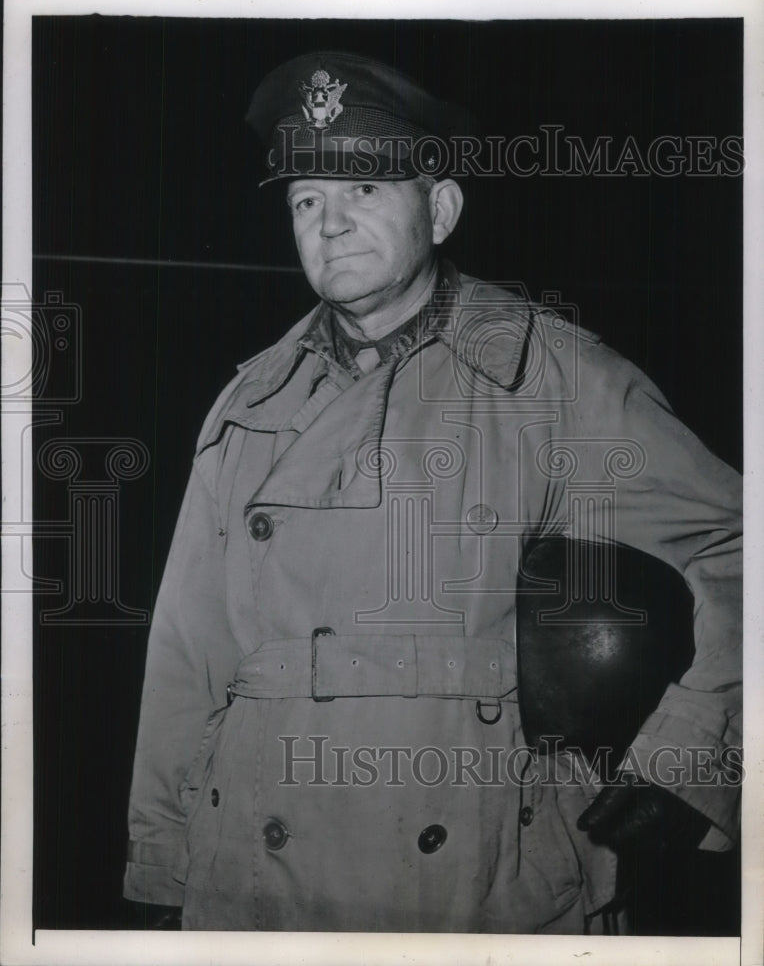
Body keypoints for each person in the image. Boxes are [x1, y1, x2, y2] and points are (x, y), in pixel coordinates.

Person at [123, 52, 742, 933]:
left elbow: (739, 549)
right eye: (306, 200)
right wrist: (162, 860)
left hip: (480, 889)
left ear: (441, 208)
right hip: (249, 885)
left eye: (365, 191)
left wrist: (684, 768)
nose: (329, 225)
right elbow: (188, 652)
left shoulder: (552, 378)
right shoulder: (250, 402)